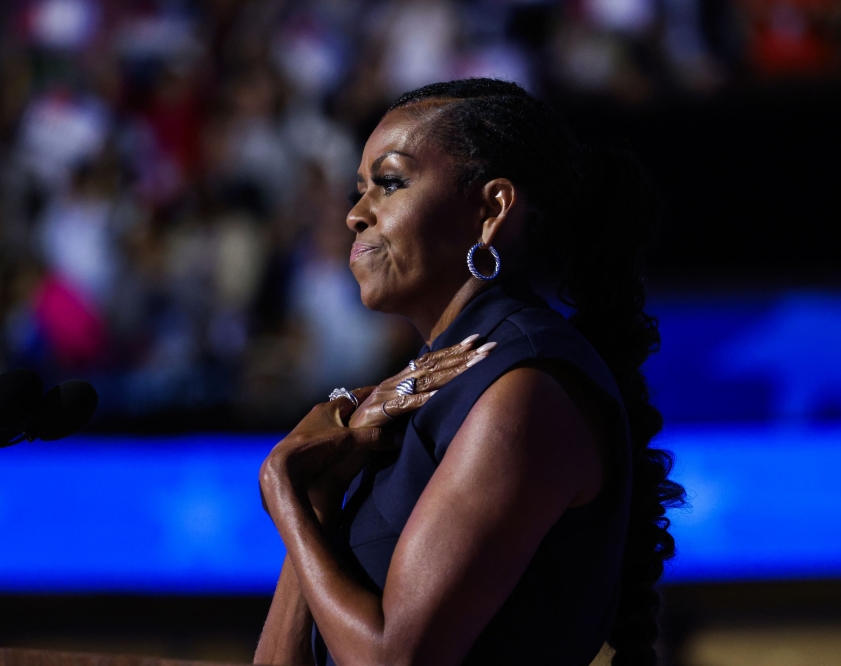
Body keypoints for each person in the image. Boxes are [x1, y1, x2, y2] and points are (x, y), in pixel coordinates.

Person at [254, 78, 684, 666]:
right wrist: (319, 498)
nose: (355, 215)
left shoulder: (525, 389)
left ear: (492, 209)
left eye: (389, 183)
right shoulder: (420, 389)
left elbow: (396, 661)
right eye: (360, 190)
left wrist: (284, 494)